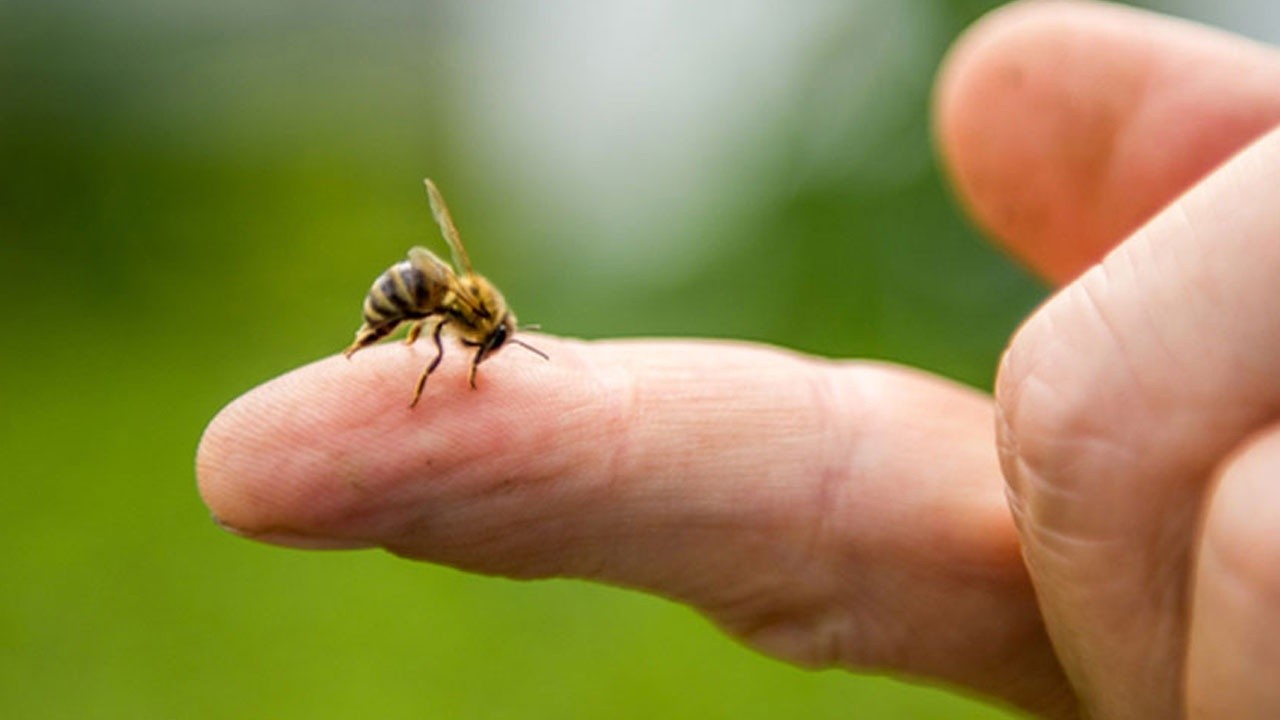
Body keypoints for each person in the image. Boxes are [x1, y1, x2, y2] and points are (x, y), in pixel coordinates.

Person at [196, 2, 1280, 717]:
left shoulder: (469, 312)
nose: (479, 349)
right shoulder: (454, 313)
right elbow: (435, 308)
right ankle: (362, 350)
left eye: (478, 343)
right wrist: (443, 361)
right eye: (479, 342)